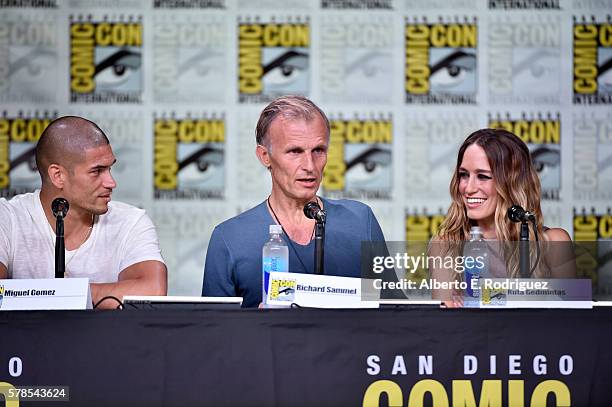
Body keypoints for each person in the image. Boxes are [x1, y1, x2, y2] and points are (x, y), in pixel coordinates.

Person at [202, 95, 388, 307]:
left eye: (318, 150)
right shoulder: (230, 239)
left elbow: (396, 317)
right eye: (295, 151)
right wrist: (256, 326)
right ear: (265, 156)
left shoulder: (361, 221)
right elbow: (213, 333)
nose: (309, 165)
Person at [0, 116, 167, 308]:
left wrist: (62, 296)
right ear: (58, 175)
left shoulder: (131, 221)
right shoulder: (7, 218)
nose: (111, 183)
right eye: (97, 171)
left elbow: (153, 291)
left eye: (109, 169)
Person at [430, 128, 575, 305]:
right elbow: (442, 324)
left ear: (512, 183)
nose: (468, 188)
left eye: (483, 176)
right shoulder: (446, 245)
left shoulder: (554, 242)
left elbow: (575, 319)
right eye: (464, 175)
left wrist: (481, 296)